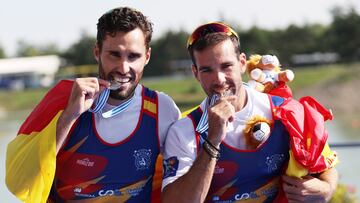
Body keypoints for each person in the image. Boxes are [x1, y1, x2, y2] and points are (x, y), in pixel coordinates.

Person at [6, 7, 180, 203]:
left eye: (133, 56)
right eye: (114, 54)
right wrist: (70, 115)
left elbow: (185, 180)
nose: (123, 68)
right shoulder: (64, 100)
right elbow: (20, 180)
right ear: (97, 52)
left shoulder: (162, 109)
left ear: (147, 56)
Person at [161, 22, 338, 203]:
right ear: (195, 73)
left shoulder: (286, 111)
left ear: (242, 63)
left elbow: (326, 168)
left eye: (226, 66)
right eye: (207, 70)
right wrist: (213, 140)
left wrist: (327, 189)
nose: (219, 79)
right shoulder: (184, 131)